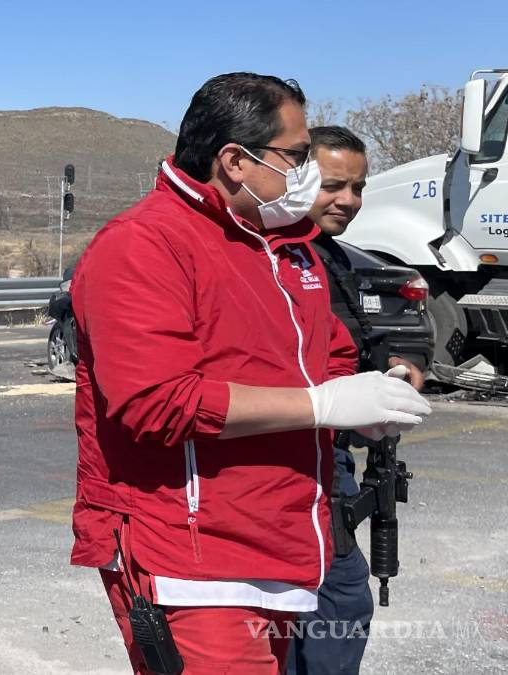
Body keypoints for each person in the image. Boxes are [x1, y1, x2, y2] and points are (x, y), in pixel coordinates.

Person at [70, 72, 433, 674]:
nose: (309, 175)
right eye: (295, 157)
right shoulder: (144, 245)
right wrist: (322, 407)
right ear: (235, 161)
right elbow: (157, 403)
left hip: (284, 539)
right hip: (193, 557)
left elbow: (330, 356)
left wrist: (375, 396)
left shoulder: (282, 245)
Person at [287, 126, 427, 675]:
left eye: (358, 187)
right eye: (332, 185)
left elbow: (362, 342)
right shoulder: (276, 256)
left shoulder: (335, 258)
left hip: (334, 456)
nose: (348, 200)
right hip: (293, 458)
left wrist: (395, 372)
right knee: (330, 606)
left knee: (340, 605)